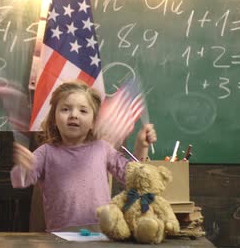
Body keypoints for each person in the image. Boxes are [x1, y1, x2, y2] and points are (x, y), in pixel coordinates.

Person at [10, 80, 156, 232]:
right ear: (53, 119)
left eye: (83, 111)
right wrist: (23, 166)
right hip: (61, 237)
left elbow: (133, 176)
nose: (73, 115)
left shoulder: (102, 148)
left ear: (94, 122)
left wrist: (141, 146)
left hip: (100, 234)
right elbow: (20, 181)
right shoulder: (46, 152)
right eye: (65, 109)